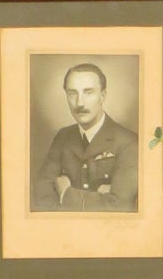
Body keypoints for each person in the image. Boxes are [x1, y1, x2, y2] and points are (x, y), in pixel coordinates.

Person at [31, 63, 139, 211]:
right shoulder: (63, 136)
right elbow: (41, 197)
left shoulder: (129, 142)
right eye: (72, 93)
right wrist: (98, 199)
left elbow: (118, 206)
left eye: (88, 92)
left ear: (103, 96)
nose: (79, 103)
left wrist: (66, 194)